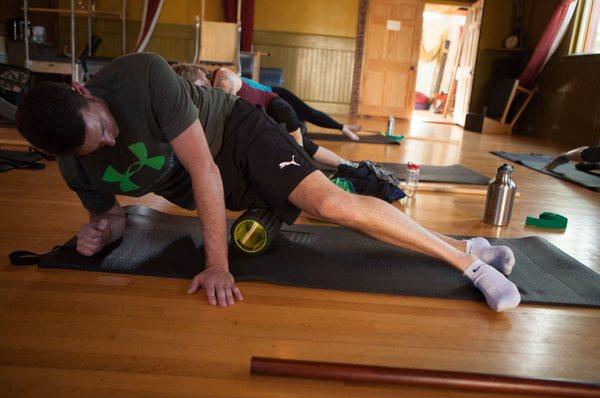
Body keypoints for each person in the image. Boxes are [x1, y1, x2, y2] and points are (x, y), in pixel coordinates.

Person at [16, 53, 521, 312]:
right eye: (93, 148)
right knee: (303, 218)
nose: (108, 142)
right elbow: (113, 218)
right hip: (211, 188)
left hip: (233, 135)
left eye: (102, 126)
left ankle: (470, 266)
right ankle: (465, 244)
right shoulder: (74, 164)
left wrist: (216, 266)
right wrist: (100, 232)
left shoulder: (141, 77)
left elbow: (204, 169)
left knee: (330, 205)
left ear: (83, 90)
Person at [200, 65, 351, 168]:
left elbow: (226, 93)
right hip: (262, 119)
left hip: (273, 102)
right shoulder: (210, 89)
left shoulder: (222, 77)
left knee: (307, 117)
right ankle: (344, 163)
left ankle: (341, 135)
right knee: (301, 142)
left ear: (202, 78)